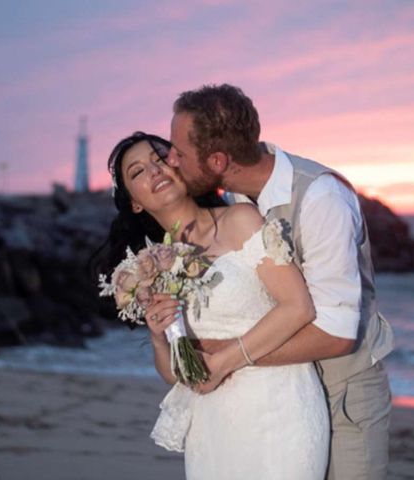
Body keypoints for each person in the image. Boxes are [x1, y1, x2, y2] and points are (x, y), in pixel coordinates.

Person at [164, 84, 394, 479]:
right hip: (277, 397)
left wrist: (225, 354)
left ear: (218, 160)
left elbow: (337, 334)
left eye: (179, 153)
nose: (170, 160)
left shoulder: (321, 198)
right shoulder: (233, 202)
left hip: (342, 392)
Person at [93, 132, 329, 479]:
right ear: (134, 203)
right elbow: (176, 374)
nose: (155, 171)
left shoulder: (241, 220)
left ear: (179, 164)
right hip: (212, 423)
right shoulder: (151, 265)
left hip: (281, 409)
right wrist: (160, 339)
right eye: (138, 172)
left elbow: (298, 308)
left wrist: (221, 363)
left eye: (160, 159)